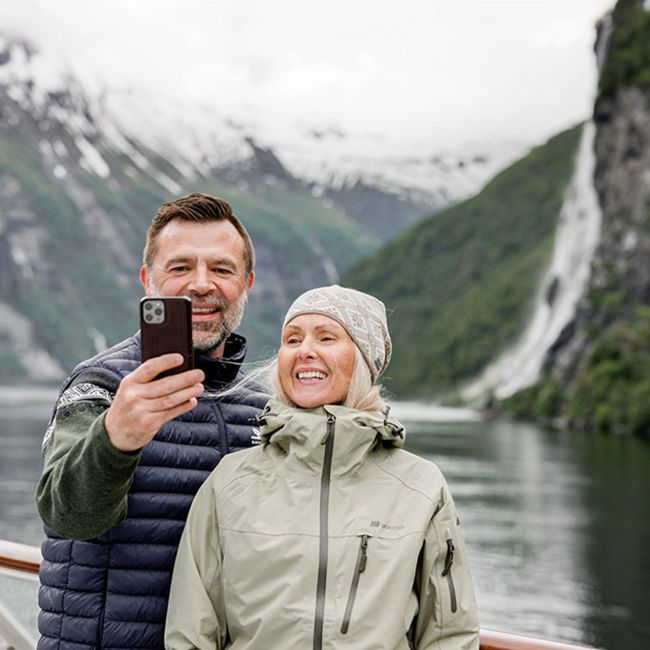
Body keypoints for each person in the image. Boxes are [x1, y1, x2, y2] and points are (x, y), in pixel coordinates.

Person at [165, 285, 480, 650]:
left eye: (326, 337)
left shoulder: (420, 487)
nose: (305, 352)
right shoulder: (230, 481)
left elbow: (449, 634)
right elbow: (191, 632)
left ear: (363, 360)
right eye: (292, 339)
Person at [35, 193, 269, 650]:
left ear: (246, 283)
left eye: (221, 269)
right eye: (180, 267)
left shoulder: (262, 404)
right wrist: (115, 437)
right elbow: (67, 514)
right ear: (148, 279)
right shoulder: (100, 383)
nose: (201, 285)